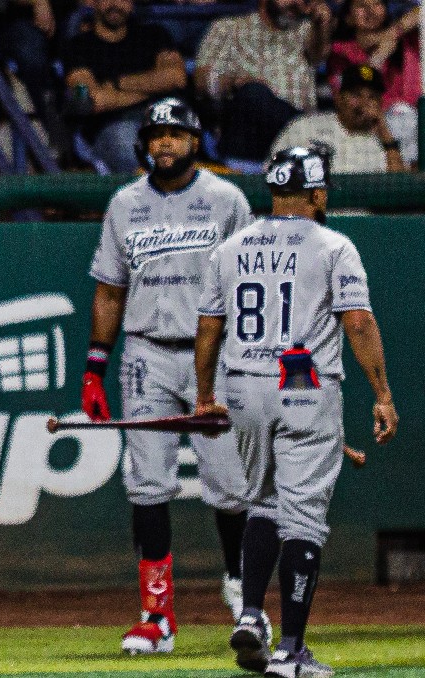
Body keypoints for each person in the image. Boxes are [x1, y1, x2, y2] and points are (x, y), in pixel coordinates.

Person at [194, 145, 398, 676]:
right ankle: (290, 650)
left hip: (243, 384)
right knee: (303, 517)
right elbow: (357, 323)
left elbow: (209, 328)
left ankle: (253, 614)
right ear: (318, 192)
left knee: (262, 502)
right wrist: (382, 394)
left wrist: (202, 393)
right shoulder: (334, 245)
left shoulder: (230, 247)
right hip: (303, 378)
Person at [82, 97, 254, 655]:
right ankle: (156, 616)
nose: (164, 143)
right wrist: (94, 368)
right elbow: (109, 291)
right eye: (156, 133)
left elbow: (250, 287)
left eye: (175, 134)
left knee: (229, 486)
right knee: (148, 486)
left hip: (219, 354)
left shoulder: (226, 200)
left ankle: (244, 597)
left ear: (195, 141)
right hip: (146, 351)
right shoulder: (125, 204)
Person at [194, 0, 334, 166]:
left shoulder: (307, 31)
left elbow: (318, 55)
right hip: (248, 125)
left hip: (297, 127)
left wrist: (320, 25)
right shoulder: (228, 28)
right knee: (253, 94)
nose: (296, 3)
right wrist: (235, 82)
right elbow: (202, 82)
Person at [62, 0, 186, 173]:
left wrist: (115, 85)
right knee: (126, 141)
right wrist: (154, 87)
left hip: (160, 121)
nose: (115, 4)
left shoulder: (154, 35)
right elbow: (91, 99)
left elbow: (177, 77)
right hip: (110, 127)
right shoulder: (77, 46)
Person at [327, 0, 420, 164]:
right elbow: (348, 101)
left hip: (411, 121)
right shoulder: (340, 51)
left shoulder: (405, 39)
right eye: (362, 6)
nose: (370, 11)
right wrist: (377, 58)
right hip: (365, 124)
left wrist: (391, 34)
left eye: (377, 4)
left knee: (403, 113)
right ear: (348, 17)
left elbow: (422, 12)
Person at [271, 64, 405, 173]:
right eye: (356, 95)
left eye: (372, 97)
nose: (364, 103)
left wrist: (384, 130)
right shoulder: (305, 127)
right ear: (339, 98)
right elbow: (273, 172)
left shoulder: (383, 145)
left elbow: (398, 192)